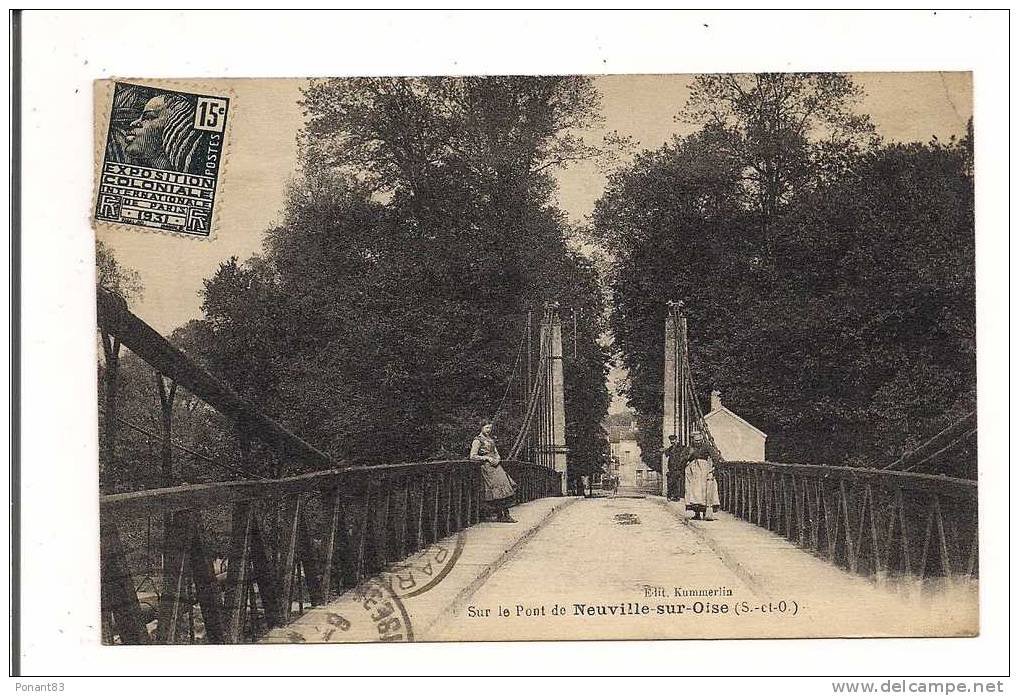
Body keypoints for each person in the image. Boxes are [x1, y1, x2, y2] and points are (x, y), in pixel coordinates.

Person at [469, 423, 518, 523]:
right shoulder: (478, 440)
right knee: (498, 490)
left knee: (505, 487)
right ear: (481, 428)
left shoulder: (490, 440)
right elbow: (473, 456)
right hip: (487, 468)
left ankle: (503, 515)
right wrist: (486, 458)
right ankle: (504, 515)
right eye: (486, 427)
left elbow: (496, 452)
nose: (489, 430)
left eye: (490, 428)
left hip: (496, 466)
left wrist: (498, 458)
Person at [684, 431, 720, 521]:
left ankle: (706, 513)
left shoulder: (707, 446)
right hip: (694, 471)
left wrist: (714, 467)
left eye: (699, 440)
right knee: (695, 491)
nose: (698, 442)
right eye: (696, 441)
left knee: (705, 490)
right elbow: (684, 458)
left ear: (702, 439)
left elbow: (715, 456)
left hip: (704, 470)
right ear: (693, 440)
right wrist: (688, 457)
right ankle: (697, 514)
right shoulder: (690, 448)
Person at [663, 434, 685, 501]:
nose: (672, 442)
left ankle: (676, 496)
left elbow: (683, 456)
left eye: (673, 440)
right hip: (671, 468)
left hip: (678, 467)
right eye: (671, 441)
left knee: (676, 482)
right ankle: (671, 496)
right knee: (671, 482)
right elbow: (666, 454)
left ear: (676, 440)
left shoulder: (680, 447)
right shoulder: (671, 448)